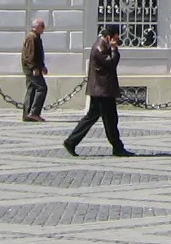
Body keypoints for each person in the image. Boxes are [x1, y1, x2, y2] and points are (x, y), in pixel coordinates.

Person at [63, 24, 132, 157]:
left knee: (108, 119)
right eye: (116, 38)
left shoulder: (103, 46)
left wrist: (113, 48)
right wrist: (114, 49)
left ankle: (72, 141)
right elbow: (111, 63)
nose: (117, 41)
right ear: (109, 37)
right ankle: (72, 141)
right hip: (102, 91)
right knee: (105, 120)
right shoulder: (100, 47)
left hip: (104, 90)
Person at [20, 18, 48, 122]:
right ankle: (34, 113)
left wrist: (42, 66)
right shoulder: (32, 37)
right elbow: (30, 54)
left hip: (32, 67)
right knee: (42, 88)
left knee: (31, 89)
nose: (43, 30)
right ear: (37, 27)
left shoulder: (35, 36)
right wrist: (35, 68)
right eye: (42, 27)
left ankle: (27, 114)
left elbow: (37, 54)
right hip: (31, 68)